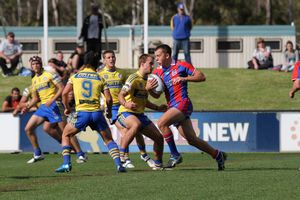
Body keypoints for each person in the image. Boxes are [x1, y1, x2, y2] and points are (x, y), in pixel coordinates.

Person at [153, 44, 227, 170]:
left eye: (158, 56)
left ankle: (175, 155)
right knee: (191, 139)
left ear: (167, 55)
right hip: (172, 107)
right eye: (155, 56)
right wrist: (150, 90)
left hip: (183, 103)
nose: (156, 59)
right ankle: (217, 155)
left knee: (161, 123)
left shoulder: (181, 65)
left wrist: (184, 78)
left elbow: (201, 76)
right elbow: (156, 95)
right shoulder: (157, 72)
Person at [55, 51, 125, 173]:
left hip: (82, 113)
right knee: (108, 140)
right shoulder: (100, 77)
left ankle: (66, 164)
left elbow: (64, 93)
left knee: (66, 134)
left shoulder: (75, 76)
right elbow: (108, 99)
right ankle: (119, 165)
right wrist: (108, 112)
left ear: (84, 62)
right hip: (97, 113)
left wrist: (66, 107)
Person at [22, 56, 86, 164]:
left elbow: (61, 88)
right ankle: (38, 153)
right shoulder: (34, 80)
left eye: (37, 63)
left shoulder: (50, 74)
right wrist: (27, 107)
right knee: (29, 129)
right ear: (31, 66)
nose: (35, 65)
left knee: (66, 131)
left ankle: (81, 154)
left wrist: (52, 100)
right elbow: (35, 98)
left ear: (41, 64)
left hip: (55, 105)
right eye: (33, 64)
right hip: (43, 107)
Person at [98, 50, 156, 169]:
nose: (111, 59)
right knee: (126, 131)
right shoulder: (100, 74)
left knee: (137, 129)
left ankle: (143, 154)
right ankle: (126, 159)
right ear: (104, 60)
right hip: (112, 108)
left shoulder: (122, 73)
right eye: (108, 57)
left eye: (113, 57)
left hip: (123, 105)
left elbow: (129, 88)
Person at [116, 54, 167, 170]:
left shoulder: (147, 80)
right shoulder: (133, 78)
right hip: (125, 112)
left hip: (139, 115)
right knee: (136, 125)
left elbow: (145, 101)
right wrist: (126, 103)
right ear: (142, 64)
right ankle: (122, 155)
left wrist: (158, 108)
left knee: (159, 138)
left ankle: (158, 164)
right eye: (150, 63)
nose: (152, 66)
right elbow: (121, 95)